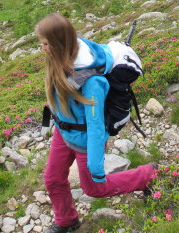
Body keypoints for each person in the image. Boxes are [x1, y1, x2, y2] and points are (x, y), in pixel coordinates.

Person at [36, 13, 156, 233]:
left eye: (45, 44)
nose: (42, 48)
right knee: (53, 179)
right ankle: (67, 220)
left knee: (95, 188)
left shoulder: (92, 81)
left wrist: (96, 167)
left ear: (58, 43)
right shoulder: (59, 59)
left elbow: (95, 126)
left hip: (85, 140)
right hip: (64, 133)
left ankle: (149, 175)